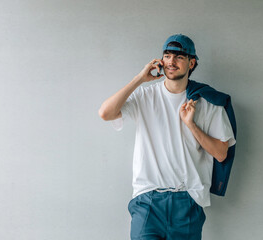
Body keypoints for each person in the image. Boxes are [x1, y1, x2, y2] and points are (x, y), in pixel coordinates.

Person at [99, 34, 236, 240]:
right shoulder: (145, 95)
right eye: (167, 55)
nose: (171, 61)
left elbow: (221, 153)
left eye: (179, 57)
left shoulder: (207, 102)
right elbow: (105, 113)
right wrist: (139, 79)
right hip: (148, 200)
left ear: (192, 63)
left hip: (187, 201)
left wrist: (191, 124)